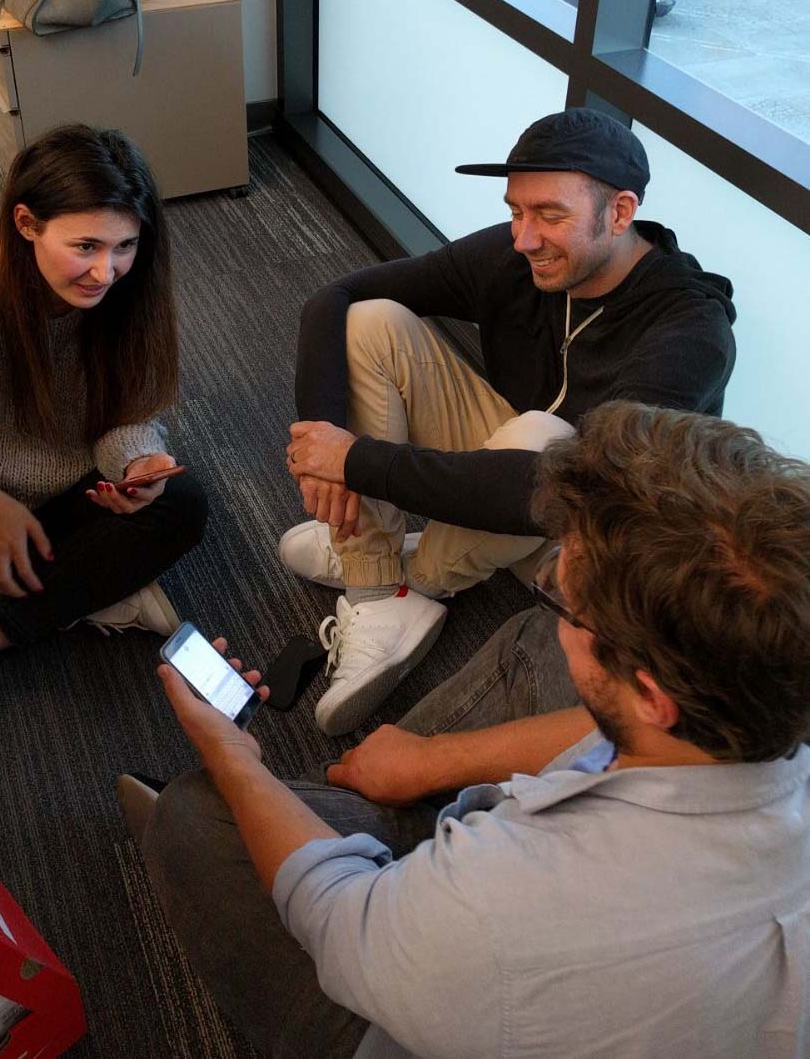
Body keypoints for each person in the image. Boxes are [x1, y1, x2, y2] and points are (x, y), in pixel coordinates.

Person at [120, 401, 810, 1059]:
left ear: (653, 695)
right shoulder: (756, 703)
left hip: (426, 960)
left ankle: (297, 815)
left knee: (193, 815)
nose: (555, 598)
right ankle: (343, 804)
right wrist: (432, 759)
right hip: (526, 908)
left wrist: (233, 754)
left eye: (567, 601)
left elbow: (338, 918)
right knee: (538, 646)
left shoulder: (518, 905)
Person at [279, 107, 737, 735]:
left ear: (620, 212)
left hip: (590, 542)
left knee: (545, 440)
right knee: (371, 322)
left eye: (549, 215)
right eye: (517, 211)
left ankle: (416, 580)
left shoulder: (690, 330)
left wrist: (352, 461)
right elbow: (334, 297)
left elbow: (565, 485)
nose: (524, 237)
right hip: (512, 475)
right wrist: (322, 447)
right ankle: (377, 579)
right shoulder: (514, 256)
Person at [0, 124, 207, 689]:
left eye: (125, 246)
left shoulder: (128, 287)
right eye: (86, 247)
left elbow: (128, 411)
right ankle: (91, 591)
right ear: (26, 224)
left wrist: (137, 463)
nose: (106, 272)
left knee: (182, 504)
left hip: (73, 491)